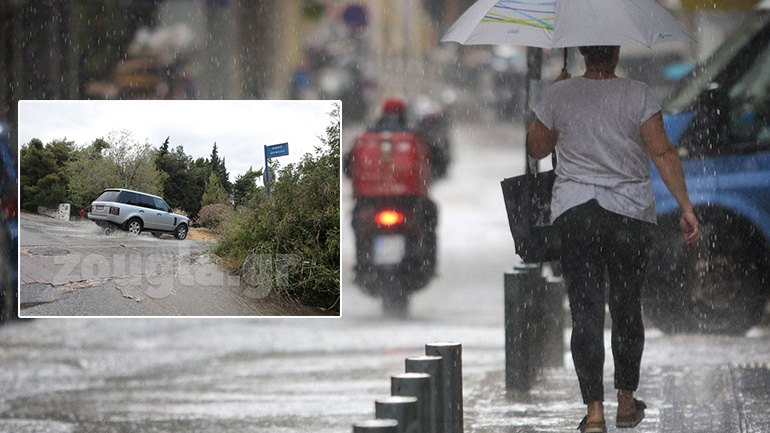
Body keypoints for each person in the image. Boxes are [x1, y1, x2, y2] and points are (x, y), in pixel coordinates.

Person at [526, 46, 701, 433]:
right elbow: (663, 151)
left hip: (576, 214)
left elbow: (536, 148)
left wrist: (551, 99)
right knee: (626, 306)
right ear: (618, 52)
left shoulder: (561, 93)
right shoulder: (638, 93)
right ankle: (625, 402)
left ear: (584, 52)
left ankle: (593, 413)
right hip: (629, 214)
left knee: (586, 311)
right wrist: (685, 206)